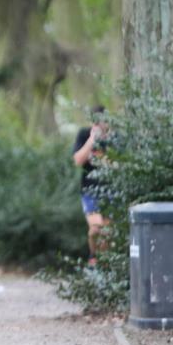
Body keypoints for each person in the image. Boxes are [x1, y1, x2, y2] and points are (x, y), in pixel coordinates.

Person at [72, 105, 110, 266]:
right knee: (96, 228)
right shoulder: (84, 134)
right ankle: (93, 257)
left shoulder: (114, 138)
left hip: (111, 190)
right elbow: (78, 160)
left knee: (108, 233)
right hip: (90, 191)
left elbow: (116, 163)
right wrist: (92, 140)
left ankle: (105, 265)